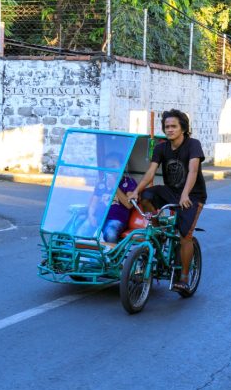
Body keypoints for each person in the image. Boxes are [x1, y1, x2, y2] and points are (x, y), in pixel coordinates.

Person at [125, 109, 206, 293]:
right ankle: (157, 228)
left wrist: (186, 194)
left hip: (193, 195)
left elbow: (193, 171)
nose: (169, 130)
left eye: (173, 126)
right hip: (170, 191)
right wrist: (136, 191)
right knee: (146, 196)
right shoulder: (161, 147)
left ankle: (184, 278)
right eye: (167, 126)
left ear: (183, 129)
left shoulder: (193, 145)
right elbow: (151, 172)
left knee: (185, 235)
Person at [82, 153, 138, 243]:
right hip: (99, 217)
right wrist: (91, 215)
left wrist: (115, 186)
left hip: (116, 219)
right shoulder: (102, 184)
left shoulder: (129, 183)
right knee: (82, 230)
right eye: (108, 167)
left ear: (122, 167)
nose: (111, 170)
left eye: (113, 166)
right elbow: (93, 204)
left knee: (110, 233)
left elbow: (129, 205)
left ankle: (109, 256)